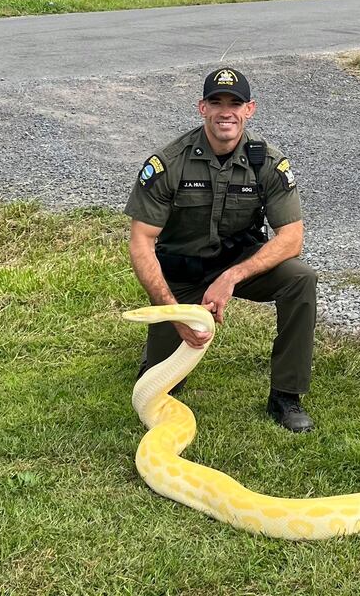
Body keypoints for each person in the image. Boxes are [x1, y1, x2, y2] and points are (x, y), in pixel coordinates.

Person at [124, 67, 317, 433]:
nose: (225, 111)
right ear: (202, 108)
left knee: (301, 279)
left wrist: (231, 277)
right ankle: (159, 349)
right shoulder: (169, 163)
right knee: (159, 387)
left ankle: (285, 396)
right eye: (216, 102)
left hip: (238, 265)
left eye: (235, 103)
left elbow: (291, 238)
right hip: (182, 273)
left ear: (250, 109)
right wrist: (172, 312)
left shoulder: (269, 163)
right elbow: (141, 241)